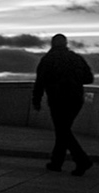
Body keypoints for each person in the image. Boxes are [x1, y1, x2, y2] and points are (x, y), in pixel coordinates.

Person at [33, 34, 95, 176]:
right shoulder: (77, 58)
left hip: (58, 99)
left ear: (52, 44)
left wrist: (36, 100)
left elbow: (40, 82)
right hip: (76, 99)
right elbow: (89, 78)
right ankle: (56, 163)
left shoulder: (48, 59)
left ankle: (82, 160)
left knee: (62, 131)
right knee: (63, 130)